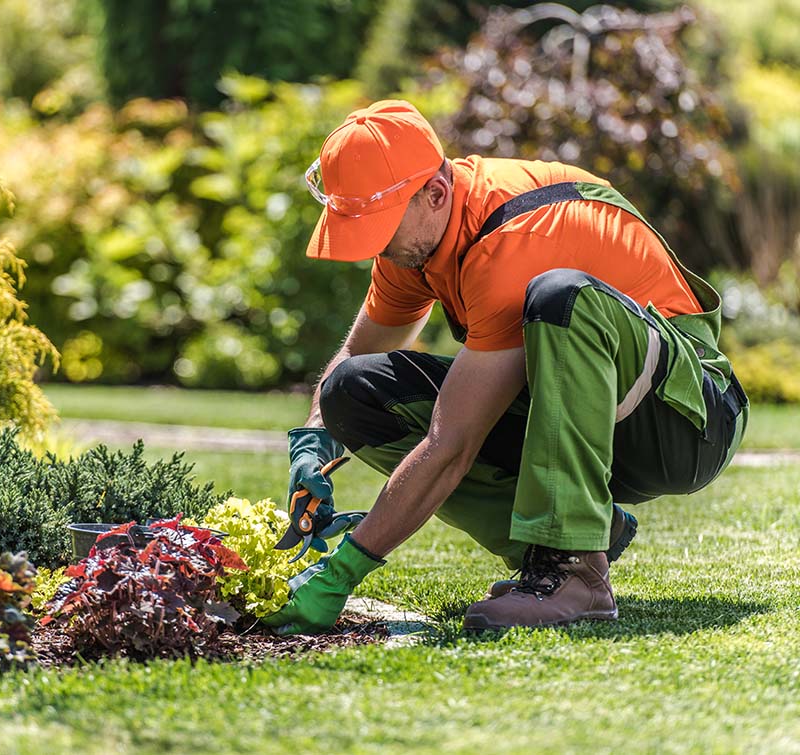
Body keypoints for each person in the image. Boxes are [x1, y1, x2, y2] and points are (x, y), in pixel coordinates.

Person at [261, 99, 748, 635]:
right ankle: (566, 544)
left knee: (562, 296)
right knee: (350, 391)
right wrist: (313, 441)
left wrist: (343, 570)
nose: (371, 249)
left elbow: (452, 444)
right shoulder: (416, 243)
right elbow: (354, 357)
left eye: (379, 228)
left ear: (435, 193)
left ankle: (573, 568)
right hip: (592, 415)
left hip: (686, 422)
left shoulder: (513, 240)